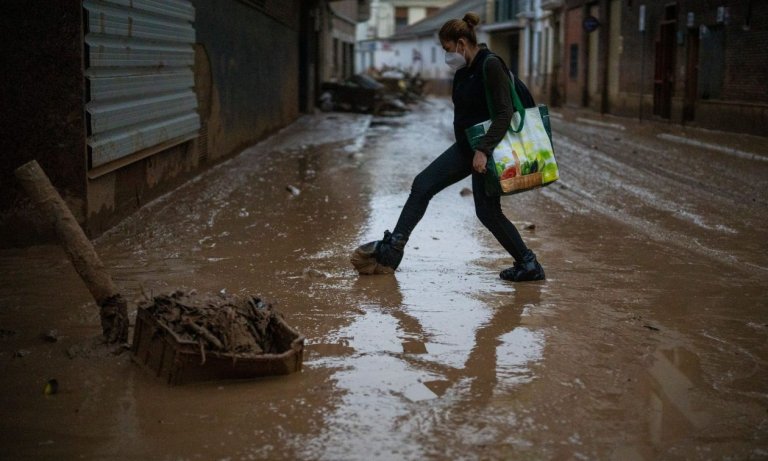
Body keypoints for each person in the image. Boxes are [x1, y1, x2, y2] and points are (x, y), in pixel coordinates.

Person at [363, 12, 545, 282]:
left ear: (461, 43)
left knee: (486, 211)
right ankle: (392, 251)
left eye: (447, 49)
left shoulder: (490, 65)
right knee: (424, 185)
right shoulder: (463, 70)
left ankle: (529, 264)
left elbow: (505, 113)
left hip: (485, 149)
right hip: (467, 146)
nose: (446, 55)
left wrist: (483, 151)